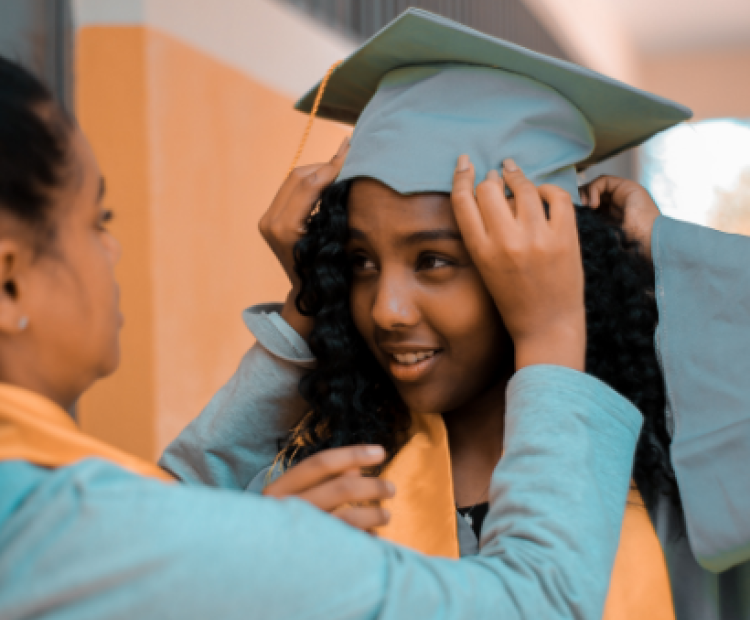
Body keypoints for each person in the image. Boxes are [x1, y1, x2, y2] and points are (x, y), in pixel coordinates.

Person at [0, 54, 645, 619]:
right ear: (9, 283)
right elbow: (543, 604)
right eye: (97, 220)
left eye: (434, 260)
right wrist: (554, 330)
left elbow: (169, 507)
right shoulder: (69, 523)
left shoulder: (662, 470)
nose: (388, 309)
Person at [165, 10, 750, 620]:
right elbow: (163, 531)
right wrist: (306, 307)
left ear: (543, 261)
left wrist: (669, 252)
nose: (386, 310)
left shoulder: (678, 465)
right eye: (360, 261)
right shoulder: (325, 477)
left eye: (434, 260)